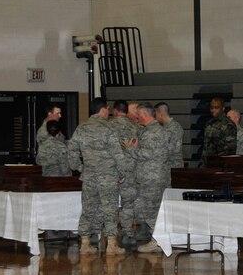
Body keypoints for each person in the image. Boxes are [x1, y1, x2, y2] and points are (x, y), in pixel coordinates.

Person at [68, 98, 131, 256]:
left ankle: (85, 244)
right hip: (108, 176)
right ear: (104, 109)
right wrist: (122, 173)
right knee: (109, 209)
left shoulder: (81, 128)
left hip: (89, 176)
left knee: (88, 209)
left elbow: (71, 151)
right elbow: (118, 154)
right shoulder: (109, 128)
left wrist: (80, 167)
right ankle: (111, 245)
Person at [127, 103, 171, 254]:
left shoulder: (154, 133)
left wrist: (131, 149)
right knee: (146, 208)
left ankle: (158, 241)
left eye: (138, 114)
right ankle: (157, 238)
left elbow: (147, 154)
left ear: (144, 115)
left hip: (152, 178)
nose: (136, 117)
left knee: (152, 210)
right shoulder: (153, 131)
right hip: (151, 177)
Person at [109, 100, 140, 248]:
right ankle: (128, 234)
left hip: (110, 170)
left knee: (110, 204)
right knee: (128, 204)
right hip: (130, 171)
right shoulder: (134, 127)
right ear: (126, 111)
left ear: (115, 111)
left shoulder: (107, 126)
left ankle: (110, 234)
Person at [202, 97, 237, 164]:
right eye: (211, 108)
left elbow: (230, 149)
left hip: (221, 164)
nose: (213, 110)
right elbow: (206, 146)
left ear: (223, 108)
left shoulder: (228, 124)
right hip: (208, 163)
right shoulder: (209, 123)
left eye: (216, 108)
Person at [155, 102, 185, 168]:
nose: (155, 117)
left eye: (155, 114)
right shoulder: (166, 127)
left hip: (173, 166)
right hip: (168, 166)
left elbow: (170, 149)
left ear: (160, 113)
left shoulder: (173, 127)